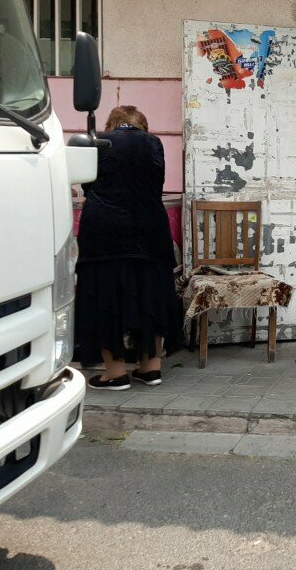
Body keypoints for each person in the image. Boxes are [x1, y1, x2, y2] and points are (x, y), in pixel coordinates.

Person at [75, 105, 181, 390]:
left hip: (105, 232)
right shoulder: (154, 144)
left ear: (112, 124)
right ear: (142, 126)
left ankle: (115, 372)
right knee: (150, 293)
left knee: (105, 296)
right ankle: (150, 368)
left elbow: (87, 186)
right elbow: (153, 185)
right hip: (150, 230)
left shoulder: (98, 142)